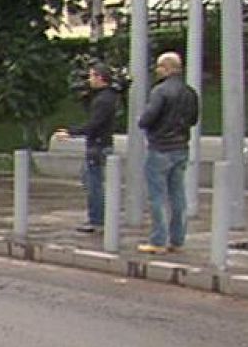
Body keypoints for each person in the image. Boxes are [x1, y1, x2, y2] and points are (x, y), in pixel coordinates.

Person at [136, 51, 200, 254]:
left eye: (159, 67)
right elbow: (193, 119)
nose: (157, 70)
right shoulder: (190, 92)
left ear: (167, 68)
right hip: (181, 147)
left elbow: (148, 117)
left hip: (160, 147)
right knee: (178, 195)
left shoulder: (160, 91)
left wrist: (145, 122)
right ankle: (177, 240)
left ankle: (158, 240)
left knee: (157, 196)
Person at [53, 64, 121, 233]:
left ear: (100, 78)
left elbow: (94, 124)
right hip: (99, 144)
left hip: (98, 145)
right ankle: (98, 217)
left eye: (92, 76)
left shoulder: (104, 100)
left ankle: (97, 220)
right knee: (88, 179)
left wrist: (71, 132)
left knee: (94, 184)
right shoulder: (105, 97)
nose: (89, 80)